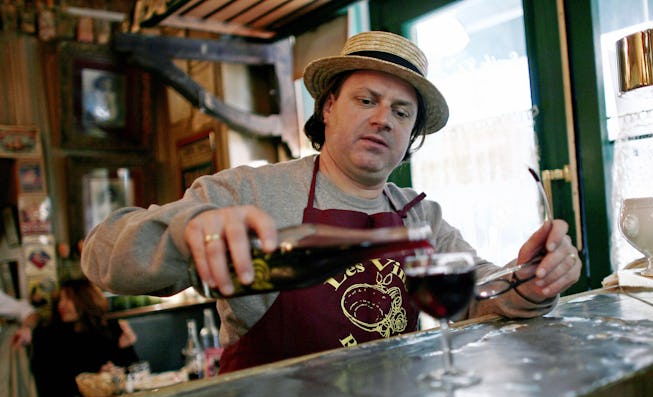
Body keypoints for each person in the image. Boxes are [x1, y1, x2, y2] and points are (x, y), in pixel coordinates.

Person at [81, 31, 581, 372]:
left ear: (410, 135)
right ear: (329, 107)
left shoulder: (420, 214)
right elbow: (102, 255)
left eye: (401, 111)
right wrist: (188, 231)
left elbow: (480, 297)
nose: (384, 118)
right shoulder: (250, 192)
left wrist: (533, 281)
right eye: (367, 100)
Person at [30, 278, 139, 397]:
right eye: (60, 300)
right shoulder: (47, 336)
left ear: (85, 300)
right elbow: (50, 385)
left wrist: (125, 348)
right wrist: (95, 378)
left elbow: (133, 371)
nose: (61, 305)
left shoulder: (110, 328)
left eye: (68, 299)